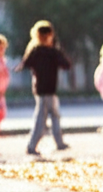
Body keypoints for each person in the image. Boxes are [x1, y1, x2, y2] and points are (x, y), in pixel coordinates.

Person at [18, 20, 72, 155]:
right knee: (41, 120)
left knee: (55, 116)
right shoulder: (46, 52)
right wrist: (57, 50)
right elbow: (66, 64)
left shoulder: (39, 51)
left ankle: (59, 142)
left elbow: (25, 64)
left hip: (47, 90)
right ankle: (31, 146)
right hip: (44, 90)